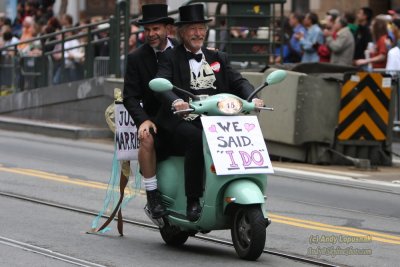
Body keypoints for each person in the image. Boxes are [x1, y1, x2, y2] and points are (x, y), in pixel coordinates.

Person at [155, 4, 264, 221]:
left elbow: (238, 81)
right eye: (192, 28)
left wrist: (252, 98)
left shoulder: (218, 57)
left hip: (216, 120)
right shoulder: (170, 57)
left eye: (201, 28)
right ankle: (193, 199)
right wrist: (177, 101)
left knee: (242, 134)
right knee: (196, 139)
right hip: (183, 121)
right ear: (182, 32)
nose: (198, 33)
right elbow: (163, 84)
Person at [123, 4, 176, 219]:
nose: (152, 34)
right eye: (148, 30)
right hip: (154, 120)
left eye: (156, 29)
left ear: (167, 30)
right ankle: (152, 194)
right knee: (146, 138)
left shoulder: (182, 51)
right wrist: (143, 120)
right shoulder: (137, 58)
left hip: (184, 118)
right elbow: (129, 97)